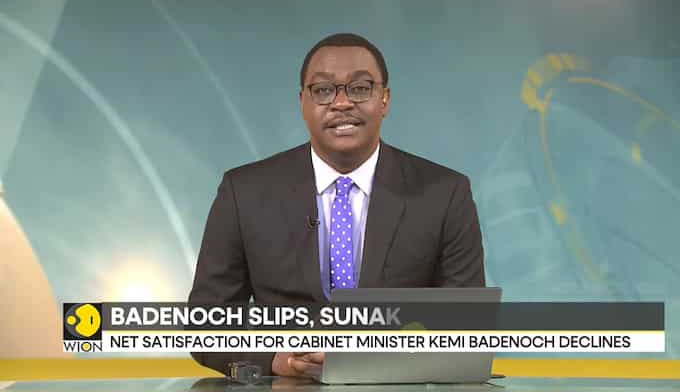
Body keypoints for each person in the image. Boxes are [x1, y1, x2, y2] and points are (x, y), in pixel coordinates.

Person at [188, 33, 485, 378]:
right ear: (302, 102)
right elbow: (207, 323)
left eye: (360, 88)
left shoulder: (445, 193)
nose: (342, 103)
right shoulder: (243, 192)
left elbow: (466, 329)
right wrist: (276, 359)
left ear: (385, 99)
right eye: (323, 90)